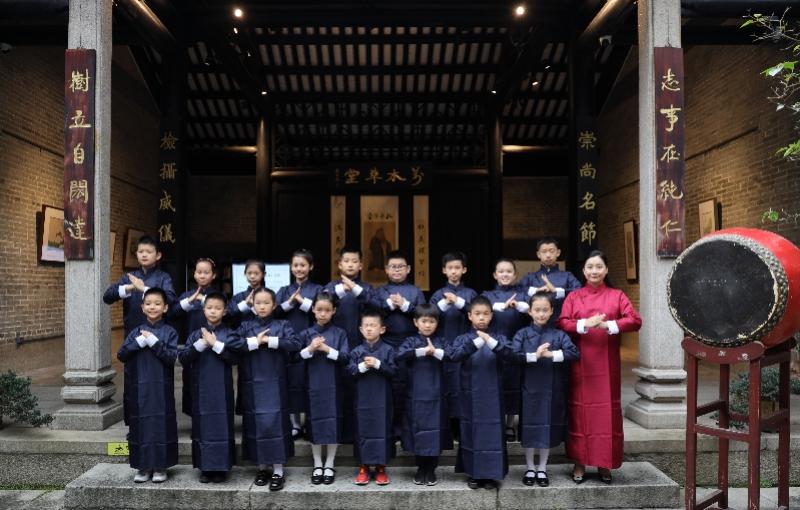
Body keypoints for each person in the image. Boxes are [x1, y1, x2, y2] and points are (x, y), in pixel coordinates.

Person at [557, 249, 642, 485]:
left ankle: (605, 462)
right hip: (581, 364)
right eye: (590, 267)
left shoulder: (617, 295)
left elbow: (635, 320)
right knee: (580, 413)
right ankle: (580, 462)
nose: (594, 271)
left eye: (599, 267)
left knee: (606, 414)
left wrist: (608, 325)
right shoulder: (574, 296)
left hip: (607, 366)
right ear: (583, 271)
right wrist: (585, 323)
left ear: (606, 270)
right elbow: (562, 322)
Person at [232, 287, 301, 491]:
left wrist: (270, 341)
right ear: (252, 305)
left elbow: (295, 344)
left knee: (276, 424)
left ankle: (278, 469)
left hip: (276, 383)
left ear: (274, 305)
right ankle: (262, 467)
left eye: (266, 303)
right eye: (258, 303)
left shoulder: (283, 324)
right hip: (253, 383)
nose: (262, 306)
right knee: (257, 424)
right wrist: (255, 341)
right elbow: (233, 344)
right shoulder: (245, 326)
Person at [446, 296, 514, 489]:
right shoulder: (463, 339)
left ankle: (491, 474)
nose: (481, 318)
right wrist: (476, 342)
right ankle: (474, 474)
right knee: (471, 432)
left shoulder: (499, 337)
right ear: (470, 316)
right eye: (477, 314)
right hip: (470, 394)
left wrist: (490, 341)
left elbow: (510, 355)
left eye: (485, 314)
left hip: (493, 395)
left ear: (491, 316)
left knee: (493, 433)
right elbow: (454, 355)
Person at [512, 293, 579, 487]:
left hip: (551, 389)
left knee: (546, 428)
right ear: (530, 311)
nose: (541, 314)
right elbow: (512, 355)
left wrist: (551, 354)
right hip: (529, 388)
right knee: (530, 428)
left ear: (551, 311)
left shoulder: (558, 334)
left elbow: (574, 353)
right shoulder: (522, 334)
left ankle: (542, 468)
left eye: (545, 310)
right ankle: (529, 467)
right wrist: (534, 355)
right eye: (537, 310)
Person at [116, 287, 178, 484]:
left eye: (157, 303)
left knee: (161, 425)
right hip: (139, 388)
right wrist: (138, 343)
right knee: (140, 426)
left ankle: (160, 466)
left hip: (161, 389)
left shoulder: (169, 332)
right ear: (142, 307)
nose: (152, 307)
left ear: (165, 307)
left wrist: (154, 342)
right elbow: (121, 354)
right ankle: (142, 467)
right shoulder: (135, 332)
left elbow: (171, 358)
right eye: (148, 303)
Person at [178, 291, 240, 483]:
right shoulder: (195, 334)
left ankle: (221, 468)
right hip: (201, 388)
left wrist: (215, 344)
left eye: (218, 308)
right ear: (203, 310)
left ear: (225, 311)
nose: (213, 311)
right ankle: (205, 468)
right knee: (203, 427)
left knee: (222, 426)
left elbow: (235, 358)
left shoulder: (229, 334)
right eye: (210, 307)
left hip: (222, 389)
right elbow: (183, 358)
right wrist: (200, 345)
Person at [323, 247, 377, 443]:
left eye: (354, 261)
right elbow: (322, 305)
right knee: (338, 391)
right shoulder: (330, 287)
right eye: (346, 261)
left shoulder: (367, 288)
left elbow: (377, 306)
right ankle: (339, 433)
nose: (350, 265)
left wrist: (355, 289)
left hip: (361, 346)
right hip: (335, 346)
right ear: (339, 265)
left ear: (361, 265)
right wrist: (341, 290)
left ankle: (360, 433)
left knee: (360, 391)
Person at [396, 304, 452, 486]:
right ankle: (421, 467)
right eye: (424, 321)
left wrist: (435, 352)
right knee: (418, 430)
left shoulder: (441, 341)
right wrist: (421, 351)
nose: (428, 325)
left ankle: (432, 468)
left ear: (437, 323)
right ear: (415, 322)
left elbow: (452, 355)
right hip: (416, 394)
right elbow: (400, 355)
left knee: (435, 431)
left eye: (432, 321)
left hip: (436, 395)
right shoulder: (411, 341)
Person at [297, 291, 349, 485]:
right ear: (313, 309)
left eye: (327, 310)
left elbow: (345, 357)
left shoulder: (340, 333)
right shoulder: (306, 333)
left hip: (334, 384)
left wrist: (327, 349)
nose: (323, 313)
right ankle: (317, 463)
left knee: (333, 422)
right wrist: (310, 348)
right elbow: (295, 357)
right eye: (319, 309)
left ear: (334, 311)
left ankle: (330, 463)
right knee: (315, 422)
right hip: (313, 385)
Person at [374, 250, 426, 436]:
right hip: (386, 344)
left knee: (409, 387)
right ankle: (389, 428)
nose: (397, 270)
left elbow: (425, 316)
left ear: (408, 269)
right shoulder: (380, 291)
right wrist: (389, 305)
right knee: (387, 387)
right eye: (393, 267)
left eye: (400, 267)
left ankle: (408, 429)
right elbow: (373, 315)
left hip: (411, 344)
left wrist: (405, 305)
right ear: (386, 269)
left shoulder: (415, 291)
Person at [276, 249, 323, 440]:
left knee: (311, 381)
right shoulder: (284, 290)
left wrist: (302, 301)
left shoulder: (319, 290)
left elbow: (322, 310)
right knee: (293, 381)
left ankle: (311, 421)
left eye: (303, 265)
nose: (299, 269)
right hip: (290, 338)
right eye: (295, 265)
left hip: (313, 337)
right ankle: (295, 424)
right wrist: (289, 303)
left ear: (311, 267)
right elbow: (274, 312)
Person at [348, 309, 397, 486]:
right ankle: (363, 467)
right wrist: (362, 366)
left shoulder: (388, 350)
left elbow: (394, 372)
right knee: (363, 429)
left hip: (382, 398)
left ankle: (381, 467)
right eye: (366, 326)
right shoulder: (357, 351)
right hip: (362, 398)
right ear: (361, 330)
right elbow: (350, 371)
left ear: (382, 329)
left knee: (382, 429)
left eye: (373, 325)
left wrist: (378, 364)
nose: (369, 329)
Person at [482, 258, 530, 441]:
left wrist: (521, 306)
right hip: (493, 345)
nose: (505, 274)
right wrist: (499, 307)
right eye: (501, 271)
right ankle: (496, 423)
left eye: (509, 271)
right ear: (495, 275)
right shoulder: (487, 295)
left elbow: (533, 312)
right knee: (494, 384)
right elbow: (480, 311)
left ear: (515, 274)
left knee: (513, 385)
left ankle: (510, 424)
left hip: (516, 345)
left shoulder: (522, 295)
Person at [430, 251, 477, 432]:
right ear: (444, 270)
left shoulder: (470, 293)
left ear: (464, 270)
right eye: (450, 268)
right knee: (446, 384)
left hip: (466, 345)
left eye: (457, 267)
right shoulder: (438, 294)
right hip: (444, 344)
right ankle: (447, 426)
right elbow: (429, 317)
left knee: (463, 384)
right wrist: (443, 304)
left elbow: (477, 313)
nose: (454, 271)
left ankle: (463, 426)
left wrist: (458, 302)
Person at [170, 257, 218, 417]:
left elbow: (227, 315)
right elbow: (172, 313)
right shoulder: (187, 295)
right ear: (194, 274)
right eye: (199, 272)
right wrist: (189, 301)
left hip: (212, 344)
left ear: (214, 275)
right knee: (192, 380)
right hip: (192, 345)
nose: (202, 275)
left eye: (206, 272)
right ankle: (195, 419)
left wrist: (205, 301)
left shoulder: (218, 295)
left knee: (211, 381)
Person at [103, 235, 176, 339]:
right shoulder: (129, 277)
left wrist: (143, 289)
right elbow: (107, 297)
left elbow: (170, 299)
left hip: (157, 335)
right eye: (140, 252)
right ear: (136, 254)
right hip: (132, 334)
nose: (144, 255)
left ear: (158, 255)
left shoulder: (164, 278)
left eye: (148, 252)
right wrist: (129, 287)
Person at [518, 237, 581, 324]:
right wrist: (536, 291)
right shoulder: (530, 277)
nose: (548, 255)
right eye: (544, 252)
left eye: (551, 251)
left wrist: (557, 291)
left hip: (561, 324)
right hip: (535, 325)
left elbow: (579, 291)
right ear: (538, 254)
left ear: (558, 253)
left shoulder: (567, 276)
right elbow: (517, 290)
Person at [226, 259, 265, 326]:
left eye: (256, 273)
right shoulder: (238, 296)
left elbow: (274, 315)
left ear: (263, 274)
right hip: (242, 331)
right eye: (249, 273)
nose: (252, 276)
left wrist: (254, 307)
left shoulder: (269, 295)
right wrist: (245, 304)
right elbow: (228, 314)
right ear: (245, 274)